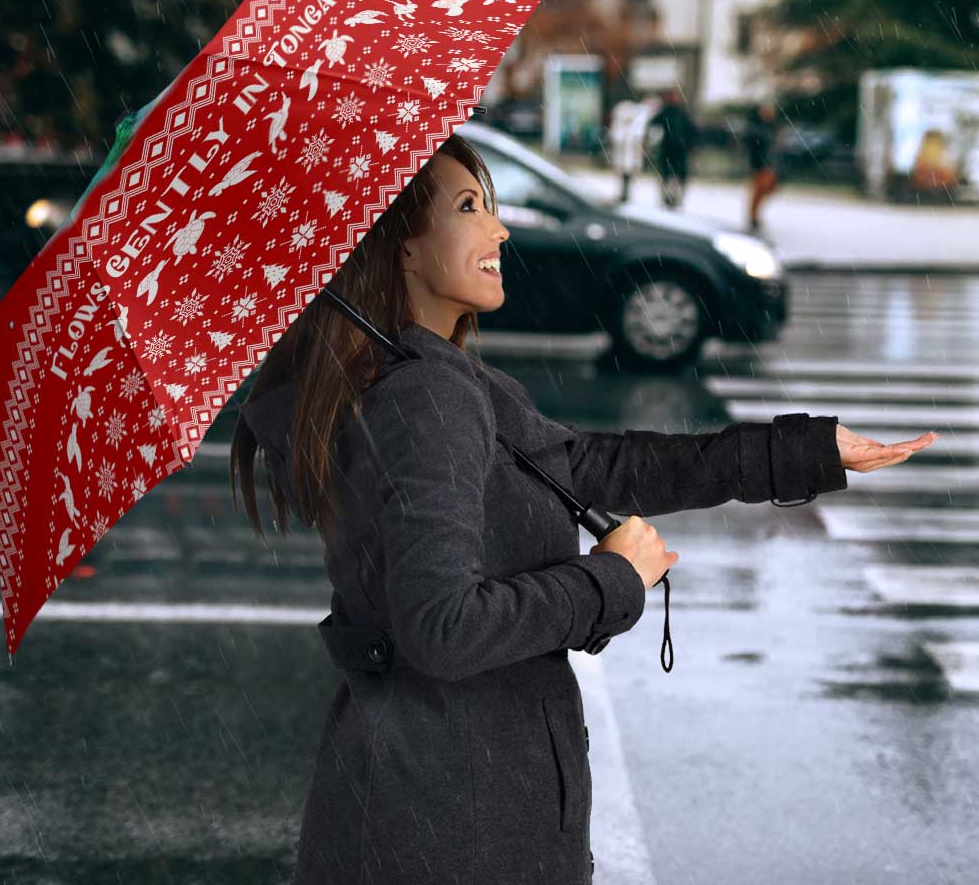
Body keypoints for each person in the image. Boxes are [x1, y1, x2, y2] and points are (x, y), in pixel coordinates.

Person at [229, 131, 926, 885]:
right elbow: (443, 628)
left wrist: (804, 453)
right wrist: (612, 580)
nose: (498, 229)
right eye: (469, 207)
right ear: (400, 246)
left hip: (428, 803)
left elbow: (591, 465)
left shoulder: (424, 378)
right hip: (457, 823)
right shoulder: (424, 397)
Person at [647, 87, 697, 210]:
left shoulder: (680, 113)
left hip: (678, 149)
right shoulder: (667, 112)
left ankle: (674, 198)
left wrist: (690, 145)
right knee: (668, 175)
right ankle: (668, 198)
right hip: (670, 149)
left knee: (675, 176)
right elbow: (653, 125)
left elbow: (691, 131)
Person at [745, 100, 781, 231]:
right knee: (759, 190)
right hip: (760, 164)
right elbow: (754, 147)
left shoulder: (772, 127)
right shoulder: (757, 128)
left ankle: (754, 215)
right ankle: (753, 216)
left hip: (769, 164)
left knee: (767, 189)